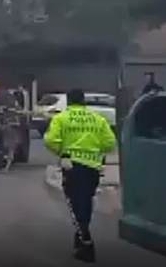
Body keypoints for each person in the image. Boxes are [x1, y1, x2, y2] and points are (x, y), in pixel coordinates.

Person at [43, 88, 116, 263]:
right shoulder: (98, 119)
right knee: (86, 200)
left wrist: (62, 153)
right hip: (92, 167)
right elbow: (110, 143)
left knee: (74, 202)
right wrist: (97, 153)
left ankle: (86, 241)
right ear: (84, 101)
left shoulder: (61, 118)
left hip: (72, 166)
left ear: (68, 101)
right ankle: (80, 238)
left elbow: (51, 140)